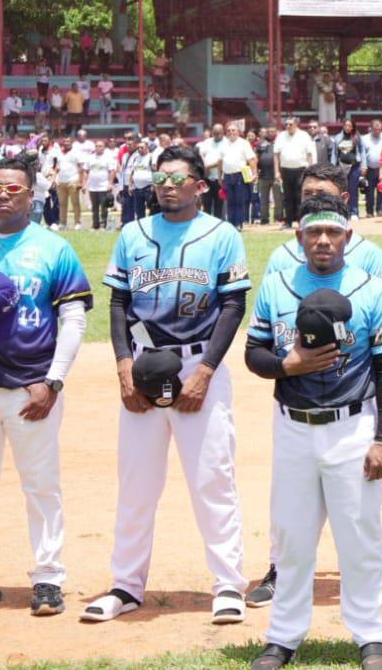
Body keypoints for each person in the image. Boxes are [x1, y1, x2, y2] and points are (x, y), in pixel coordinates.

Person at [81, 144, 252, 625]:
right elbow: (118, 303)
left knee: (212, 478)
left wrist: (205, 372)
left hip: (199, 364)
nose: (167, 186)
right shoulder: (132, 234)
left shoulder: (222, 235)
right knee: (137, 482)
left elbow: (233, 306)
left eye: (177, 179)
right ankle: (126, 585)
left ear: (200, 186)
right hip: (143, 365)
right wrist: (122, 367)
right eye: (160, 178)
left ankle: (228, 585)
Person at [243, 193, 382, 670]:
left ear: (348, 236)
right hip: (292, 426)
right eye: (314, 231)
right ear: (299, 236)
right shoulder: (276, 286)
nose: (324, 240)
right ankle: (283, 636)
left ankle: (370, 634)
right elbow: (254, 355)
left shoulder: (373, 290)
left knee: (359, 536)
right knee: (291, 538)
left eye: (333, 232)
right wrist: (286, 365)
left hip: (352, 425)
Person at [0, 155, 92, 616]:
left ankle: (48, 577)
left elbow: (73, 317)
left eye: (13, 189)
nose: (3, 195)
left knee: (41, 486)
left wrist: (54, 381)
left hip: (31, 388)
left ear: (31, 195)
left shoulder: (53, 248)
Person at [273, 117, 316, 229]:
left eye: (290, 124)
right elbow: (276, 155)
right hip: (285, 170)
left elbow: (309, 154)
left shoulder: (304, 136)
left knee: (299, 196)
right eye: (286, 124)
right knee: (287, 196)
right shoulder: (281, 136)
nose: (288, 126)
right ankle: (288, 221)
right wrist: (277, 171)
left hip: (300, 169)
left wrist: (310, 170)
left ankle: (301, 221)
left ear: (296, 125)